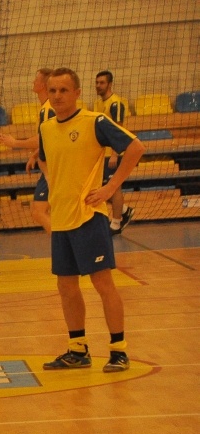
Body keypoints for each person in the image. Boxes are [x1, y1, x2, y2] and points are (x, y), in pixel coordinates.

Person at [38, 68, 145, 373]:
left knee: (103, 284)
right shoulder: (46, 128)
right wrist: (54, 183)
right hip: (61, 219)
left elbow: (136, 148)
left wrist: (110, 188)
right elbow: (44, 158)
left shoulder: (94, 122)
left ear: (77, 93)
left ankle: (118, 351)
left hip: (89, 218)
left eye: (63, 90)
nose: (57, 95)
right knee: (66, 287)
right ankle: (78, 350)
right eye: (52, 90)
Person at [0, 68, 55, 233]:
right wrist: (35, 155)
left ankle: (63, 243)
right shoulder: (45, 108)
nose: (33, 82)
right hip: (48, 168)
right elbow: (48, 138)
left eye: (36, 79)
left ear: (43, 85)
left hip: (53, 168)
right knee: (41, 211)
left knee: (39, 211)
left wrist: (15, 143)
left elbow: (42, 138)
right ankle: (62, 243)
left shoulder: (48, 109)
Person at [94, 70, 134, 235]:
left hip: (112, 154)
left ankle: (116, 223)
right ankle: (124, 210)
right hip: (101, 154)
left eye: (102, 83)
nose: (98, 86)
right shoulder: (98, 103)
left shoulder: (115, 104)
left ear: (110, 84)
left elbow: (119, 130)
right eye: (97, 83)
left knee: (114, 187)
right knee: (101, 187)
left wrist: (115, 154)